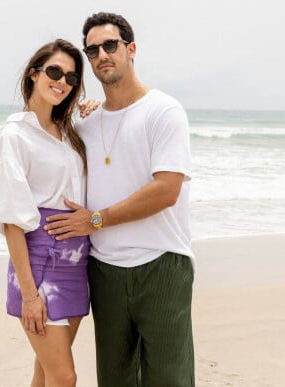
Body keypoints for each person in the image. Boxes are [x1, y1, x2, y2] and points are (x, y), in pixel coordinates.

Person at [44, 12, 196, 387]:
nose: (101, 56)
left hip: (161, 264)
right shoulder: (85, 123)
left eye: (110, 45)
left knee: (169, 380)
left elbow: (166, 190)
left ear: (131, 49)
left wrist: (95, 220)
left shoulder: (164, 111)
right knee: (114, 379)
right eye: (92, 50)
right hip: (104, 271)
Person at [0, 39, 97, 386]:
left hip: (77, 264)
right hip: (39, 265)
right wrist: (30, 296)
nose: (62, 81)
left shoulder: (69, 134)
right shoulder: (15, 137)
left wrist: (97, 111)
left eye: (72, 78)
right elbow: (12, 222)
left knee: (45, 372)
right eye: (54, 71)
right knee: (64, 377)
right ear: (34, 74)